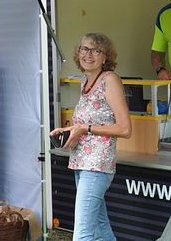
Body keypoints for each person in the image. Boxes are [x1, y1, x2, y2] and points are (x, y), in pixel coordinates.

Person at [50, 33, 132, 241]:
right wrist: (70, 132)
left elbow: (124, 129)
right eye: (84, 49)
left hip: (97, 166)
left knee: (82, 235)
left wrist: (84, 129)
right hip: (81, 163)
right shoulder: (85, 82)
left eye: (96, 51)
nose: (89, 54)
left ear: (105, 58)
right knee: (100, 227)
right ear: (78, 54)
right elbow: (91, 124)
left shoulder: (110, 80)